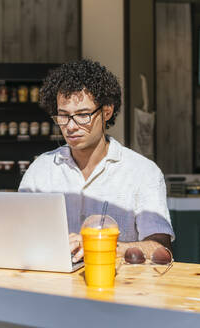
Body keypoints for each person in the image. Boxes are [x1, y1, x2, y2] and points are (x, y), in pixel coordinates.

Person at [19, 59, 174, 263]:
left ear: (106, 111)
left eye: (83, 115)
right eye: (63, 116)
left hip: (119, 288)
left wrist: (100, 246)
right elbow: (20, 233)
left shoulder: (143, 172)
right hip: (52, 286)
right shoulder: (40, 170)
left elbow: (160, 248)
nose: (71, 127)